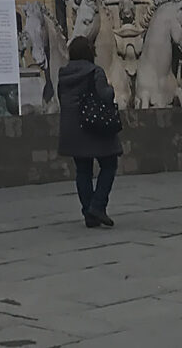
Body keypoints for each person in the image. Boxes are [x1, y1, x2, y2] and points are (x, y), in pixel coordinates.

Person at [57, 35, 120, 228]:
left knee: (83, 170)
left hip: (72, 129)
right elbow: (105, 95)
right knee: (109, 164)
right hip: (94, 127)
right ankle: (98, 206)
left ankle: (89, 213)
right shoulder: (95, 71)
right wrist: (110, 88)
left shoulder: (64, 74)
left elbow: (62, 98)